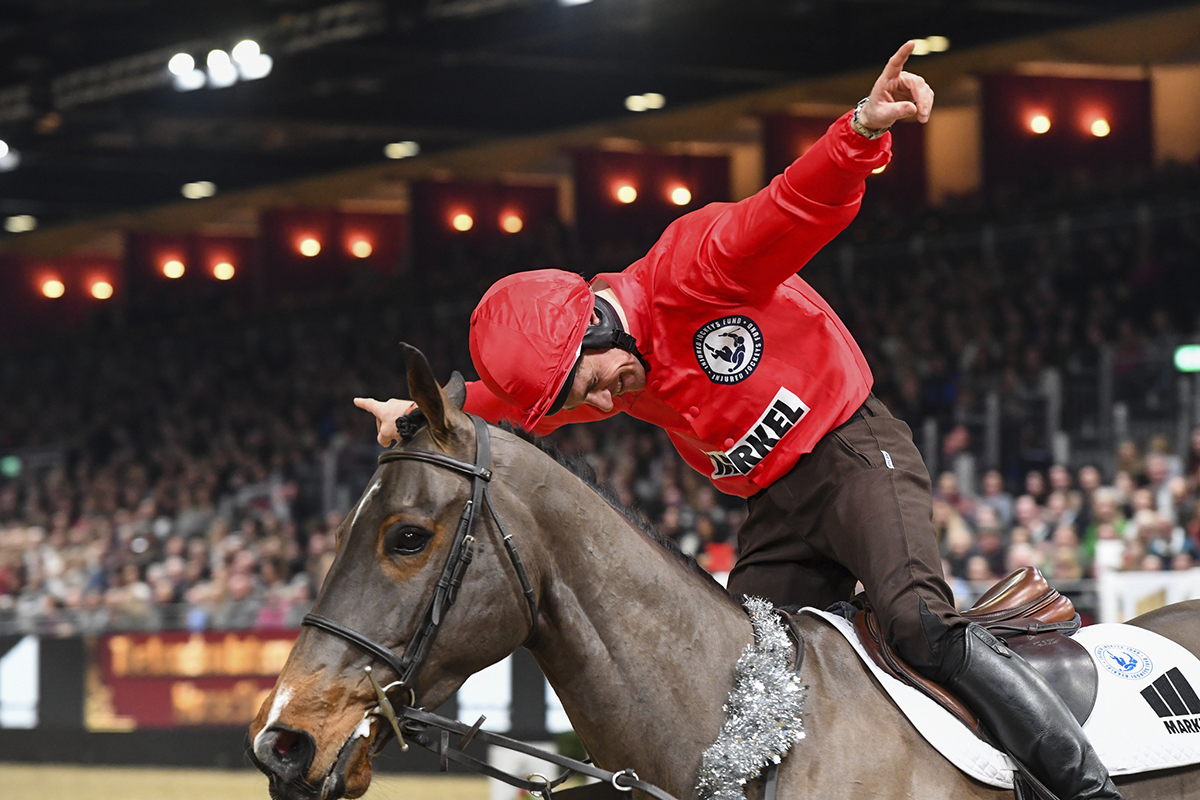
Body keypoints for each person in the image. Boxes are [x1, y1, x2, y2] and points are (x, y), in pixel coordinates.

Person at [356, 42, 1120, 800]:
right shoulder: (596, 367)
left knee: (918, 623)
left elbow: (788, 208)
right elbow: (498, 406)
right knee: (739, 674)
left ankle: (1085, 789)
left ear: (596, 324)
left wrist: (859, 130)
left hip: (851, 454)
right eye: (575, 404)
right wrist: (425, 418)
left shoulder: (692, 268)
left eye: (586, 383)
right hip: (776, 508)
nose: (597, 405)